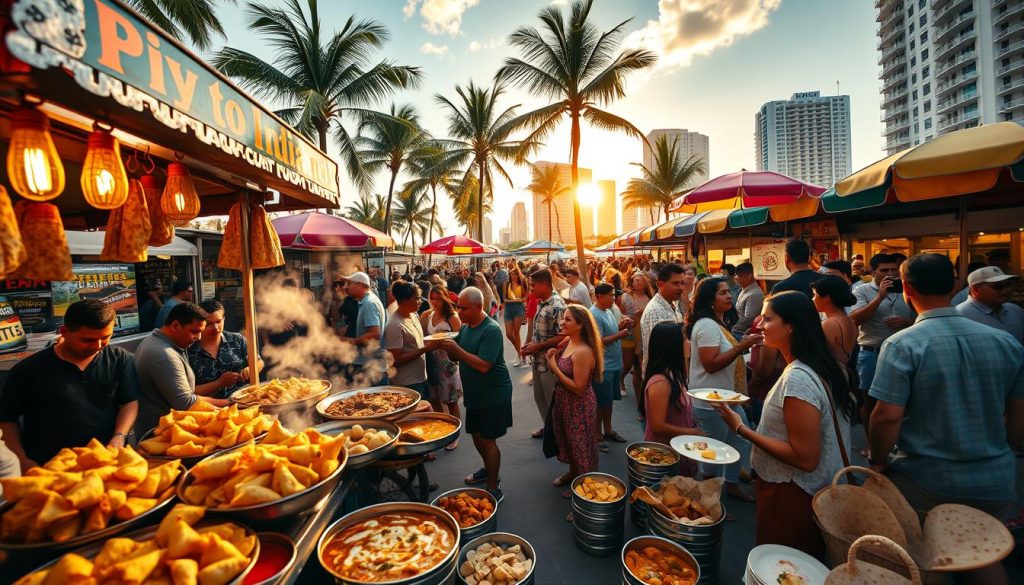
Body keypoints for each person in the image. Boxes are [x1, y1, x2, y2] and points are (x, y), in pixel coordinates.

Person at [869, 254, 1023, 585]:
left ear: (906, 288)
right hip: (995, 476)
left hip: (928, 479)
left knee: (927, 557)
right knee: (980, 554)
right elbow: (1018, 418)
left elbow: (886, 418)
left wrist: (878, 461)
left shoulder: (903, 344)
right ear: (955, 286)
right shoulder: (1006, 342)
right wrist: (1004, 448)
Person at [713, 291, 853, 558]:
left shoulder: (799, 378)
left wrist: (741, 428)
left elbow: (804, 457)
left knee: (781, 565)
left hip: (794, 494)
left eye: (767, 319)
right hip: (810, 490)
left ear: (791, 326)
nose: (760, 325)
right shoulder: (824, 367)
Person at [0, 300, 139, 469]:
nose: (98, 346)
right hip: (49, 467)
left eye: (106, 337)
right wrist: (21, 460)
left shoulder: (120, 359)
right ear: (64, 332)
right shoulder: (29, 370)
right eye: (88, 340)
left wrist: (119, 435)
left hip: (107, 463)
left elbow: (129, 402)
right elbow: (7, 420)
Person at [686, 277, 759, 502]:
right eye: (723, 293)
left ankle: (731, 483)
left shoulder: (717, 322)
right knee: (713, 451)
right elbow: (710, 364)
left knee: (739, 440)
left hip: (724, 398)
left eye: (729, 292)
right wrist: (740, 348)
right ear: (710, 300)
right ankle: (707, 500)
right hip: (709, 401)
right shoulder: (707, 325)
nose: (729, 296)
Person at [439, 287, 513, 502]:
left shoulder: (491, 330)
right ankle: (488, 470)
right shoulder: (466, 328)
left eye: (463, 308)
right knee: (477, 436)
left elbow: (483, 366)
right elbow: (458, 357)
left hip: (494, 392)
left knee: (489, 440)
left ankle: (493, 485)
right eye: (457, 307)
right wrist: (445, 349)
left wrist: (457, 351)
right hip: (475, 394)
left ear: (479, 307)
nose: (459, 312)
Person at [135, 302, 227, 437]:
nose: (198, 338)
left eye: (201, 331)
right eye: (194, 331)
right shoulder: (163, 354)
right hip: (163, 437)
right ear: (175, 325)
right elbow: (185, 402)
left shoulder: (165, 342)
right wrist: (229, 405)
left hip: (172, 432)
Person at [851, 253, 914, 437]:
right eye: (884, 270)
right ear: (873, 272)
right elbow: (856, 318)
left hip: (903, 352)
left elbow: (921, 317)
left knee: (904, 399)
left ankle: (897, 440)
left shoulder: (906, 289)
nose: (890, 273)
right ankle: (871, 443)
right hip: (872, 352)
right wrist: (879, 297)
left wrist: (907, 322)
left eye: (894, 269)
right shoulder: (862, 291)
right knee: (870, 401)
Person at [545, 306, 602, 508]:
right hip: (564, 403)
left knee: (582, 450)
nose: (562, 322)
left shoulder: (583, 351)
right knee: (569, 443)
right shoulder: (568, 342)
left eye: (568, 319)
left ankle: (587, 500)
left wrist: (554, 367)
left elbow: (579, 388)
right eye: (563, 318)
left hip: (579, 406)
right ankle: (573, 473)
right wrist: (554, 355)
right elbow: (563, 367)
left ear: (580, 325)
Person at [639, 322, 703, 476]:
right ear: (672, 346)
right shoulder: (661, 382)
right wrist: (692, 432)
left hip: (678, 451)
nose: (689, 342)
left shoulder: (676, 375)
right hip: (664, 458)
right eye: (684, 338)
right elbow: (658, 426)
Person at [520, 269, 567, 438]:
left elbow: (563, 336)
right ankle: (549, 428)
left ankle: (559, 435)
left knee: (553, 401)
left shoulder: (557, 306)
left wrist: (538, 346)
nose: (530, 288)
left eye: (533, 285)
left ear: (545, 284)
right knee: (540, 398)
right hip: (538, 361)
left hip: (551, 363)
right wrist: (532, 346)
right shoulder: (542, 302)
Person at [188, 300, 263, 399]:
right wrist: (219, 383)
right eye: (209, 323)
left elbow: (259, 361)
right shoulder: (190, 348)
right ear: (200, 323)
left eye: (218, 321)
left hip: (245, 400)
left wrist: (251, 369)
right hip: (210, 407)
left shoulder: (237, 339)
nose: (215, 328)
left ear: (224, 319)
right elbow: (188, 391)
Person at [590, 284, 631, 450]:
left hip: (614, 364)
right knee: (600, 403)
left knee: (608, 402)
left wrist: (622, 326)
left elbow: (610, 332)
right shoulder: (594, 314)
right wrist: (620, 334)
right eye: (610, 295)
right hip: (603, 366)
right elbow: (597, 341)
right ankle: (596, 435)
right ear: (599, 296)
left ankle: (608, 430)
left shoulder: (608, 311)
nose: (613, 299)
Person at [421, 285, 463, 443]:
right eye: (432, 298)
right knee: (435, 398)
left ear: (444, 298)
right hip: (431, 360)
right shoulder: (428, 314)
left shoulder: (451, 315)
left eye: (438, 298)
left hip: (447, 362)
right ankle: (445, 430)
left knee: (451, 400)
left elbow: (460, 338)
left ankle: (455, 435)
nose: (434, 301)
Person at [384, 282, 435, 400]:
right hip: (407, 384)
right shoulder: (394, 325)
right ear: (403, 300)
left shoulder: (414, 315)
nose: (420, 301)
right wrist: (424, 349)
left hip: (421, 378)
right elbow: (395, 360)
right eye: (416, 298)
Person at [339, 271, 388, 382]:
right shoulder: (367, 301)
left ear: (359, 285)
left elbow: (374, 334)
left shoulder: (368, 303)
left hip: (370, 367)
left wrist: (351, 341)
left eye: (349, 284)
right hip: (370, 365)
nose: (346, 287)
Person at [955, 266, 1023, 343]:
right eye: (998, 287)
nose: (1006, 291)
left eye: (1008, 285)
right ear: (976, 290)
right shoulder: (960, 315)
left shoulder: (1015, 310)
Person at [639, 264, 686, 374]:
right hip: (662, 376)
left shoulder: (672, 303)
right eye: (675, 283)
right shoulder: (655, 311)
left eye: (682, 283)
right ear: (660, 284)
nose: (680, 287)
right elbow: (659, 353)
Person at [620, 273, 653, 401]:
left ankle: (640, 400)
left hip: (644, 334)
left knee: (639, 367)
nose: (636, 283)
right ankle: (621, 379)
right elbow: (622, 314)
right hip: (629, 332)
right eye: (634, 281)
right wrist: (630, 318)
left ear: (645, 282)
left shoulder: (650, 297)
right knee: (628, 363)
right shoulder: (626, 296)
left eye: (638, 280)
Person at [811, 276, 858, 365]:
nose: (813, 299)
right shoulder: (849, 320)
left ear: (826, 299)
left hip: (835, 374)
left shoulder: (829, 324)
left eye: (815, 294)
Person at [503, 267, 529, 366]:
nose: (512, 276)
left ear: (518, 274)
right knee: (509, 334)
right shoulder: (507, 284)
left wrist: (518, 300)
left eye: (514, 274)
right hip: (509, 308)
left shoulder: (522, 284)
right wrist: (510, 301)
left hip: (518, 307)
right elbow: (504, 298)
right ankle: (520, 352)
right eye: (511, 274)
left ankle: (519, 356)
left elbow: (525, 297)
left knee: (516, 333)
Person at [731, 262, 764, 339]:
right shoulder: (743, 289)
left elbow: (749, 319)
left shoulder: (755, 294)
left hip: (741, 333)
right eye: (735, 275)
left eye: (739, 275)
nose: (736, 278)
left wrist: (733, 326)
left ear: (749, 276)